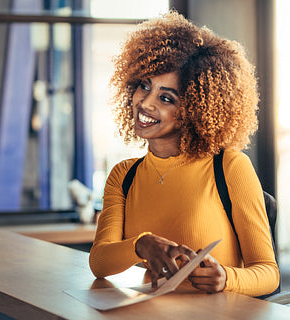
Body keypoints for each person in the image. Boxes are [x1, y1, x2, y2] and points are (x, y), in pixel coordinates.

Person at [89, 11, 279, 297]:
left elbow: (268, 273)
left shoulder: (229, 166)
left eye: (166, 98)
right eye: (144, 85)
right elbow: (99, 262)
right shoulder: (123, 175)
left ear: (195, 111)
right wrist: (141, 244)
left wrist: (226, 278)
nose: (145, 103)